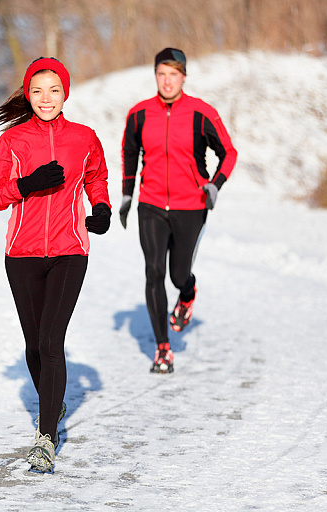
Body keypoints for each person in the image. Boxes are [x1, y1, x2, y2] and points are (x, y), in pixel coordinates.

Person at [0, 57, 111, 472]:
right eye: (37, 91)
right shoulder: (13, 142)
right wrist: (27, 185)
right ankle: (56, 403)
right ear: (28, 95)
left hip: (71, 250)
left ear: (65, 92)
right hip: (22, 254)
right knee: (34, 344)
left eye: (53, 89)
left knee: (52, 341)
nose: (45, 98)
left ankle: (46, 436)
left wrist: (102, 208)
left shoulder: (84, 137)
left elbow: (96, 177)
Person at [119, 48, 237, 374]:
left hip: (191, 206)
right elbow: (130, 154)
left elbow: (228, 153)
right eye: (161, 74)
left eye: (173, 74)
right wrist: (128, 196)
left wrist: (215, 185)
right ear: (155, 76)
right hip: (152, 204)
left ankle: (187, 293)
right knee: (154, 271)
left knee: (177, 274)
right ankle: (163, 348)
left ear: (184, 76)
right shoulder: (139, 114)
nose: (167, 81)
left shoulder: (202, 113)